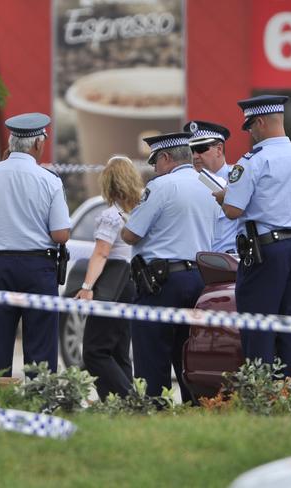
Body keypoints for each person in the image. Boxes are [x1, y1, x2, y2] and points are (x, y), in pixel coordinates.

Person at [213, 95, 291, 381]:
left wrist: (223, 197)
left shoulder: (254, 160)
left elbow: (233, 211)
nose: (251, 134)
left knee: (258, 324)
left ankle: (261, 391)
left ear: (259, 122)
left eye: (250, 128)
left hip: (265, 251)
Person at [0, 112, 71, 376]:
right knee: (40, 344)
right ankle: (38, 402)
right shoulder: (49, 180)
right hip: (38, 266)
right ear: (38, 144)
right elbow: (61, 234)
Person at [122, 132, 219, 403]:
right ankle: (194, 408)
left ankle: (155, 410)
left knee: (152, 354)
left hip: (161, 282)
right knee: (187, 352)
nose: (154, 168)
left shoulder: (162, 186)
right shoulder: (208, 184)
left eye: (155, 162)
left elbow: (132, 234)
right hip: (199, 279)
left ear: (166, 158)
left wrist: (126, 222)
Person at [74, 156, 142, 400]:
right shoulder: (140, 212)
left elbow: (102, 252)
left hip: (111, 288)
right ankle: (116, 407)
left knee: (94, 352)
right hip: (131, 285)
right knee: (119, 351)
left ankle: (129, 399)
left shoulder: (111, 216)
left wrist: (87, 286)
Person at [184, 120, 237, 253]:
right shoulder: (185, 184)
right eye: (191, 150)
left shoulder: (239, 180)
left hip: (229, 262)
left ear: (219, 149)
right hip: (195, 264)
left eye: (201, 149)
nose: (195, 156)